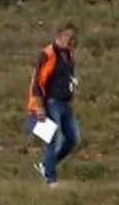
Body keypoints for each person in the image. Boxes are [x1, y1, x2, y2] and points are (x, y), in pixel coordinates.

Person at [27, 23, 81, 188]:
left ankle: (47, 165)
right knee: (54, 139)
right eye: (69, 38)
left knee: (73, 139)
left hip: (65, 103)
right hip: (51, 103)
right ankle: (51, 178)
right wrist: (39, 106)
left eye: (74, 39)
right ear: (59, 36)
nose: (72, 42)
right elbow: (37, 82)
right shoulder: (47, 54)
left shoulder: (69, 54)